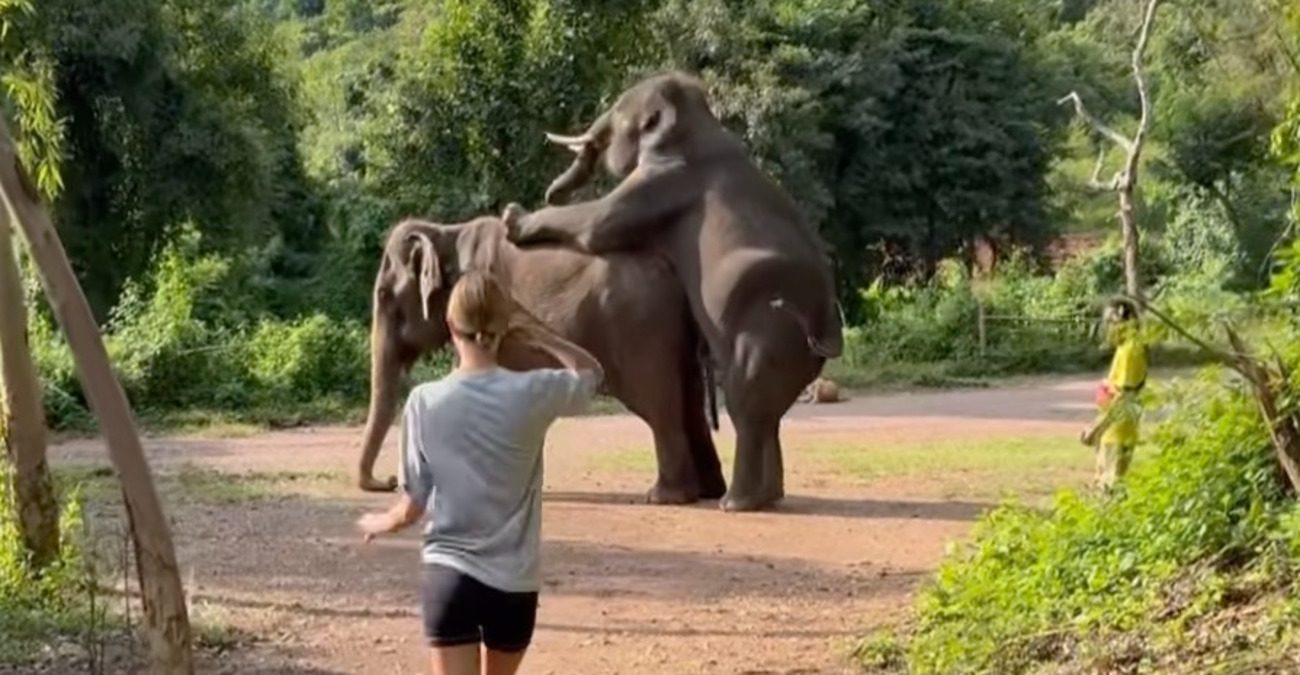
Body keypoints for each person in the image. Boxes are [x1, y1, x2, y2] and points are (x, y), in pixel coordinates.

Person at [356, 268, 604, 675]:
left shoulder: (425, 402)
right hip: (514, 586)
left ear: (450, 326)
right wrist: (539, 334)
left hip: (450, 579)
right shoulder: (535, 391)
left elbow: (413, 506)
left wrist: (382, 522)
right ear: (503, 329)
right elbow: (592, 373)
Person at [1079, 297, 1148, 492]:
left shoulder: (1131, 350)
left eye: (1110, 323)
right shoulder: (1125, 347)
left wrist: (1098, 426)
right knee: (1102, 483)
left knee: (1109, 487)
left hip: (1119, 430)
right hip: (1113, 429)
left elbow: (1125, 396)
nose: (1108, 329)